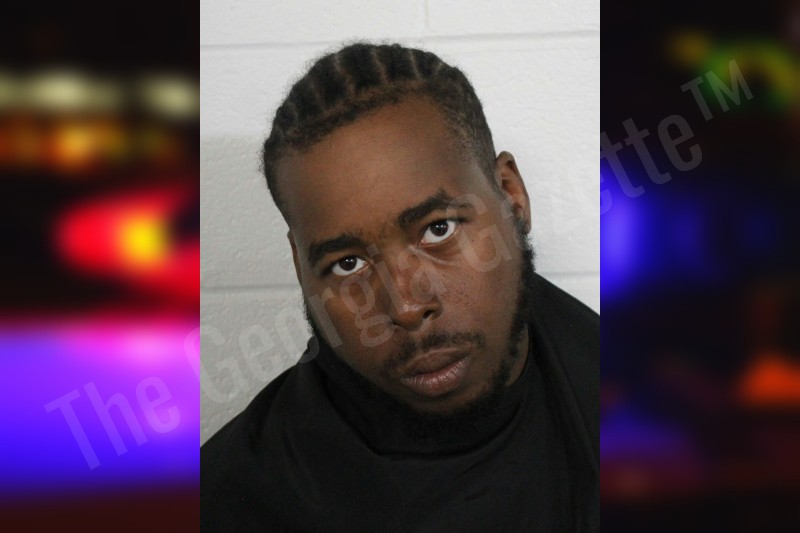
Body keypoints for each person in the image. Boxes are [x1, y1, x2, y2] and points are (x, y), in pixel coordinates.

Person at [201, 42, 599, 532]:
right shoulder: (226, 502)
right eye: (347, 263)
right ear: (301, 267)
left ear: (511, 196)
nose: (406, 306)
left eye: (438, 230)